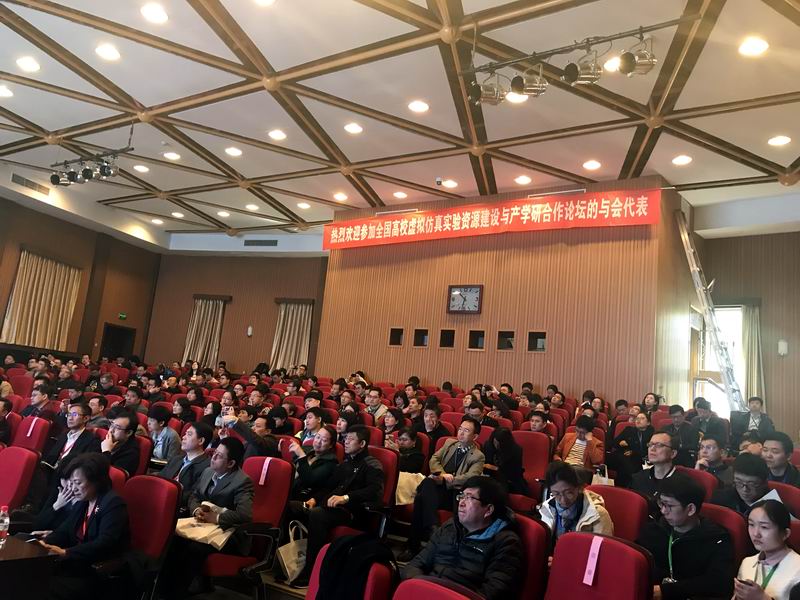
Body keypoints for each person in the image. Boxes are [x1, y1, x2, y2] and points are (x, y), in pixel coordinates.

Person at [291, 425, 384, 588]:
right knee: (293, 507)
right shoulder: (345, 464)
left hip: (354, 512)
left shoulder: (372, 464)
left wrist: (346, 498)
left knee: (318, 515)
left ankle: (311, 571)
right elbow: (328, 487)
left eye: (350, 439)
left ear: (362, 444)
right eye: (345, 438)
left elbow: (374, 491)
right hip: (331, 508)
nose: (345, 442)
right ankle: (287, 563)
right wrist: (314, 499)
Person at [401, 476, 523, 600]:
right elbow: (416, 564)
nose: (461, 503)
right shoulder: (449, 527)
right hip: (428, 591)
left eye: (469, 498)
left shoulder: (505, 541)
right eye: (461, 496)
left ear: (488, 510)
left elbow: (494, 592)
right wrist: (419, 588)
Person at [161, 437, 254, 599]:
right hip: (204, 527)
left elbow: (245, 515)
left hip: (228, 533)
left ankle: (176, 594)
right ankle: (162, 588)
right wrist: (196, 509)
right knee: (173, 539)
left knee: (194, 548)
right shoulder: (208, 472)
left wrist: (216, 517)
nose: (213, 457)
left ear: (231, 463)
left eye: (219, 456)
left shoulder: (242, 481)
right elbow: (194, 496)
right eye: (214, 452)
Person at [39, 453, 130, 600]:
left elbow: (105, 543)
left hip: (95, 571)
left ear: (96, 481)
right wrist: (44, 543)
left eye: (78, 483)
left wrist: (66, 552)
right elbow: (64, 531)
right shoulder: (84, 501)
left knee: (42, 587)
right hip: (74, 565)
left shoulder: (113, 504)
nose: (73, 488)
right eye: (72, 482)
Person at [636, 475, 734, 600]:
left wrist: (666, 591)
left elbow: (718, 583)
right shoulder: (655, 529)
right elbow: (638, 560)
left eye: (669, 506)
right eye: (661, 504)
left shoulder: (716, 539)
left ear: (690, 509)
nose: (663, 511)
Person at [401, 416, 485, 560]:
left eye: (466, 431)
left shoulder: (478, 456)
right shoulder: (449, 443)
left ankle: (413, 546)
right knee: (428, 484)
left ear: (475, 436)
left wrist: (448, 480)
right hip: (437, 491)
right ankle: (433, 526)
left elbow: (470, 477)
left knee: (421, 498)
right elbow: (434, 459)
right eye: (460, 429)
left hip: (456, 495)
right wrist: (442, 475)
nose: (461, 433)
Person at [737, 500, 800, 600]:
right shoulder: (747, 563)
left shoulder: (797, 570)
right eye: (751, 524)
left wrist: (762, 598)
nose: (756, 534)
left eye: (764, 527)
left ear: (785, 534)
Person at [539, 462, 613, 543]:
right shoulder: (548, 509)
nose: (563, 500)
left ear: (578, 488)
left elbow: (603, 548)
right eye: (557, 494)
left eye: (569, 493)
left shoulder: (598, 514)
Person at [158, 422, 213, 508]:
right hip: (160, 499)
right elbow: (160, 477)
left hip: (177, 507)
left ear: (201, 441)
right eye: (185, 434)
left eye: (189, 434)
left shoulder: (207, 467)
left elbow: (194, 496)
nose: (183, 437)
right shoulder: (176, 459)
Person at [710, 453, 783, 516]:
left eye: (751, 484)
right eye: (739, 482)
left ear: (764, 483)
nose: (745, 489)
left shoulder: (775, 508)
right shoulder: (720, 499)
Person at [287, 425, 339, 502]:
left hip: (304, 497)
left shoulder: (331, 462)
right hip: (289, 488)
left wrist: (302, 456)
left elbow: (309, 480)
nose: (318, 442)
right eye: (318, 437)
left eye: (324, 440)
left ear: (330, 445)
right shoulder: (308, 450)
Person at [630, 432, 678, 515]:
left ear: (673, 453)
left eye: (659, 445)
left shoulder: (681, 484)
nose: (652, 449)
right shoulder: (637, 478)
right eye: (650, 444)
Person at [610, 410, 653, 487]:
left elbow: (646, 449)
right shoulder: (629, 430)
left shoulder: (652, 434)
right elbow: (614, 443)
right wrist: (621, 444)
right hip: (625, 457)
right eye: (637, 418)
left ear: (648, 423)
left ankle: (625, 487)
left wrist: (631, 448)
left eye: (642, 418)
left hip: (641, 459)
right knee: (623, 460)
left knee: (628, 464)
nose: (638, 420)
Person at [483, 427, 529, 495]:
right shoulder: (488, 445)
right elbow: (484, 463)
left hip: (508, 478)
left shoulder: (516, 450)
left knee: (498, 489)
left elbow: (514, 472)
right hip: (490, 474)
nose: (496, 445)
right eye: (495, 441)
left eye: (499, 442)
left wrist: (496, 468)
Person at [100, 409, 141, 475]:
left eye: (117, 427)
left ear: (129, 433)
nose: (111, 430)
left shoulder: (131, 453)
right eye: (112, 425)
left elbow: (111, 476)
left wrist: (106, 452)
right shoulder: (105, 441)